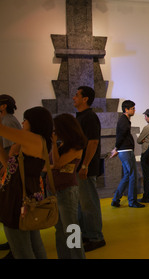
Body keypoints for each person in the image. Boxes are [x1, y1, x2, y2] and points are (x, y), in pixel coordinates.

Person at [0, 106, 53, 258]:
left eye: (25, 120)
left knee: (22, 249)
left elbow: (2, 130)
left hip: (18, 197)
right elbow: (10, 167)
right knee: (33, 243)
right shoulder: (34, 141)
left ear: (34, 122)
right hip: (24, 193)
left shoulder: (35, 139)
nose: (22, 123)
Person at [73, 86, 106, 252]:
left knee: (88, 203)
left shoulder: (90, 117)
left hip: (85, 167)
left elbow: (93, 142)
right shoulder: (81, 117)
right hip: (79, 167)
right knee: (82, 203)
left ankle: (96, 237)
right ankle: (86, 233)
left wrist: (85, 165)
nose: (74, 97)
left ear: (85, 99)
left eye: (77, 95)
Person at [49, 113, 87, 259]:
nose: (54, 131)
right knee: (59, 229)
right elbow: (50, 164)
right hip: (55, 189)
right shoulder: (63, 144)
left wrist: (53, 143)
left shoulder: (76, 147)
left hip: (66, 190)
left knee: (71, 229)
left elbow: (57, 164)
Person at [110, 100, 144, 208]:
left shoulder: (124, 120)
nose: (134, 110)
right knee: (133, 175)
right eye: (132, 108)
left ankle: (116, 200)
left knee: (127, 176)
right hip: (126, 151)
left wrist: (117, 148)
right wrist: (117, 148)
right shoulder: (124, 120)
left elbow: (121, 135)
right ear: (126, 109)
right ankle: (132, 201)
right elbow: (121, 135)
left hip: (124, 151)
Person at [0, 94, 21, 258]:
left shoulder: (7, 121)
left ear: (3, 106)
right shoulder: (8, 120)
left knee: (11, 207)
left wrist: (6, 168)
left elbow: (12, 149)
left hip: (10, 170)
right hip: (9, 168)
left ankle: (16, 247)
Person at [137, 108, 149, 203]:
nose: (144, 118)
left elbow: (139, 140)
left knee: (146, 176)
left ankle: (146, 197)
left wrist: (144, 140)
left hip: (146, 154)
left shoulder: (147, 127)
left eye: (145, 116)